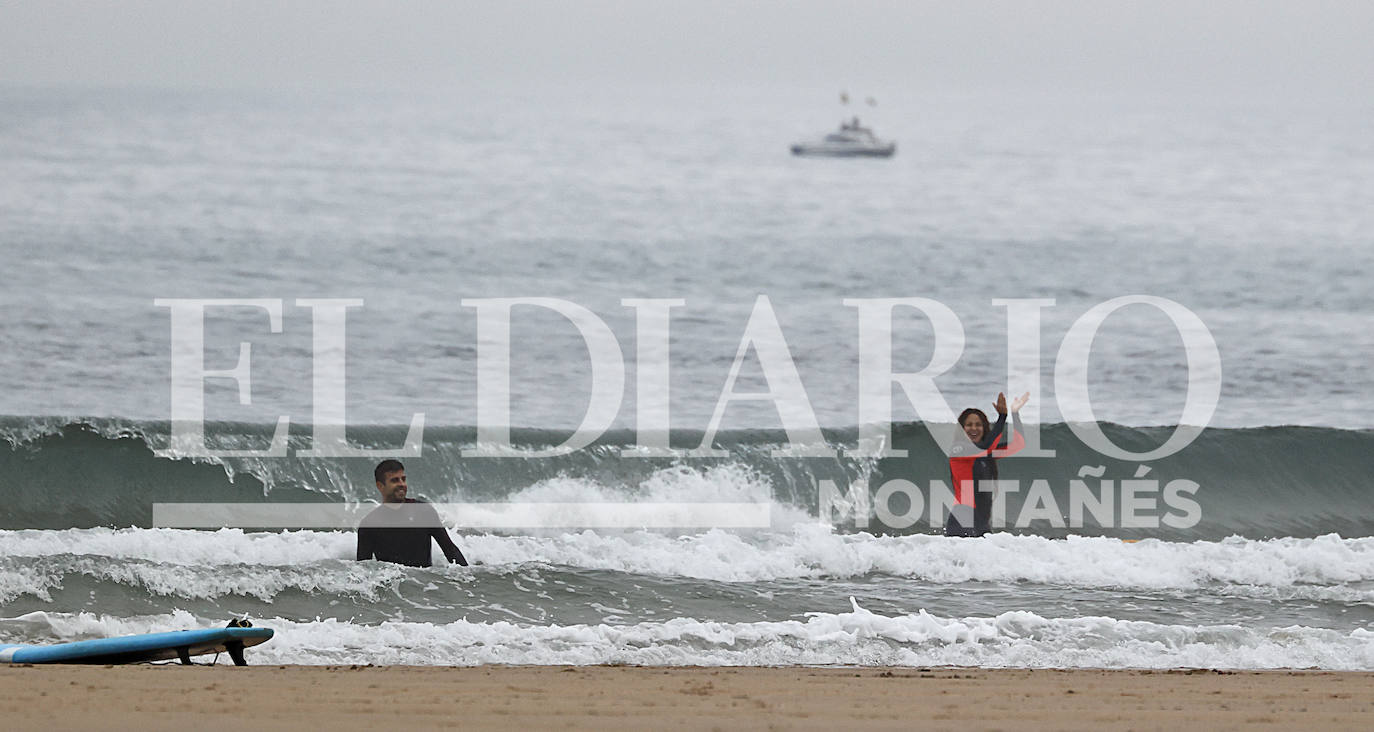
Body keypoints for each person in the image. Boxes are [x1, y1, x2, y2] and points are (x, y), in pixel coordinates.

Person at [945, 392, 1029, 537]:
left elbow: (1019, 444)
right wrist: (1002, 417)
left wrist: (1015, 414)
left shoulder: (986, 454)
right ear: (962, 429)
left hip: (982, 523)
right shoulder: (958, 450)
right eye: (969, 425)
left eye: (978, 425)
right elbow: (985, 447)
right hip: (962, 519)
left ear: (984, 428)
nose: (974, 428)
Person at [356, 459, 468, 567]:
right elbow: (363, 568)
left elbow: (451, 550)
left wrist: (468, 580)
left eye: (403, 479)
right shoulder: (370, 524)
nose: (401, 484)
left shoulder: (424, 512)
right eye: (394, 480)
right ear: (380, 486)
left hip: (424, 584)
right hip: (392, 585)